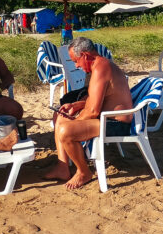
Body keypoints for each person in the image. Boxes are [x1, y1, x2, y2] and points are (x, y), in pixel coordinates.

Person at [43, 36, 133, 190]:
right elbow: (96, 98)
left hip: (115, 123)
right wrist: (75, 105)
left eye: (76, 61)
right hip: (104, 118)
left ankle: (84, 172)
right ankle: (63, 166)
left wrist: (75, 120)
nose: (76, 65)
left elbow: (93, 110)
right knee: (59, 116)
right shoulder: (100, 65)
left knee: (66, 131)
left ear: (85, 55)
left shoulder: (101, 67)